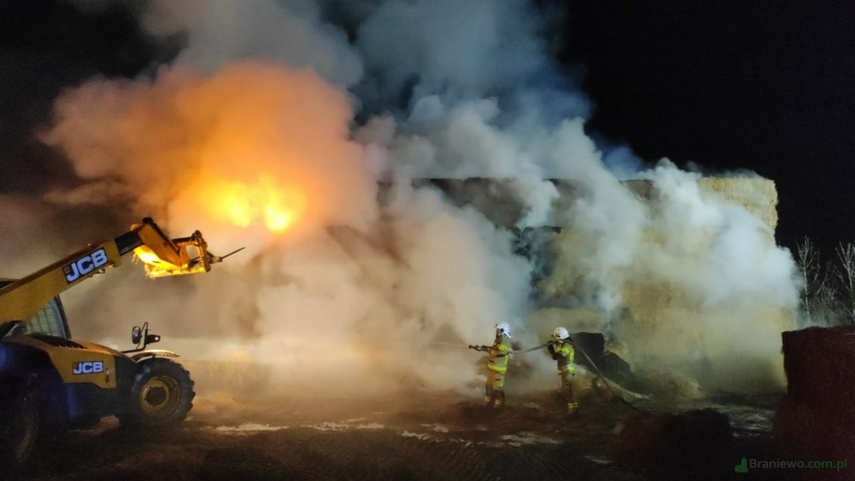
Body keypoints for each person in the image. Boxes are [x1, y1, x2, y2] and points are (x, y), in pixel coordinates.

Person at [470, 322, 512, 408]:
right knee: (489, 385)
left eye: (497, 330)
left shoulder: (504, 342)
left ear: (502, 330)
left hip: (499, 370)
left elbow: (498, 353)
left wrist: (487, 350)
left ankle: (499, 405)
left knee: (497, 388)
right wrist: (480, 348)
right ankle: (488, 403)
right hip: (492, 369)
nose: (496, 332)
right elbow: (493, 349)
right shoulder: (498, 341)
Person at [548, 326, 578, 417]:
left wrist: (555, 346)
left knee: (568, 390)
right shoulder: (562, 345)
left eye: (555, 337)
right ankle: (572, 410)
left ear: (559, 336)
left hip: (568, 372)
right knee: (567, 391)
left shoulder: (567, 345)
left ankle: (573, 412)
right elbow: (555, 357)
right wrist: (551, 348)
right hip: (564, 372)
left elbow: (561, 355)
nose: (554, 339)